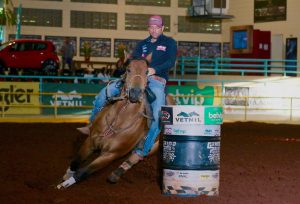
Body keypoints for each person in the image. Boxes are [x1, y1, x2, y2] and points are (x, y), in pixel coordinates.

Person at [78, 15, 177, 159]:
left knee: (157, 115)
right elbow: (132, 61)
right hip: (135, 78)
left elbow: (170, 62)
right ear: (149, 28)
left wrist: (154, 69)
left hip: (156, 80)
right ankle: (92, 125)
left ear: (162, 28)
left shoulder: (169, 43)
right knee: (103, 94)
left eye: (157, 27)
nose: (154, 30)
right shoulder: (142, 44)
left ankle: (144, 147)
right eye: (152, 27)